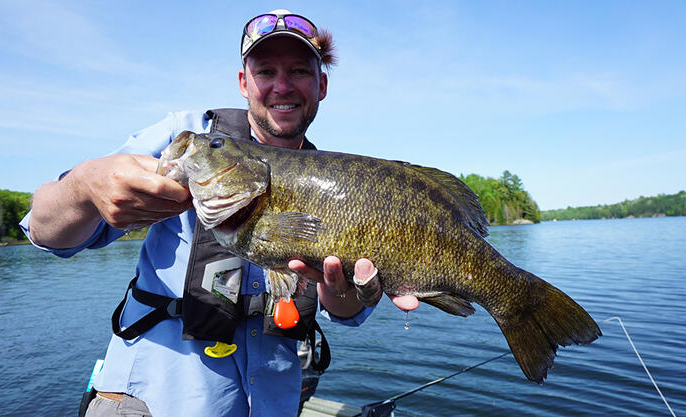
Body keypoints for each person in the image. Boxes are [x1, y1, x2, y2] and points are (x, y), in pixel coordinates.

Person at [21, 10, 417, 417]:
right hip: (153, 401)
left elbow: (347, 313)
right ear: (244, 82)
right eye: (266, 71)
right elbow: (45, 232)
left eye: (299, 70)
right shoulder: (191, 138)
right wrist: (84, 186)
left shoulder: (339, 183)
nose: (282, 86)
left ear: (322, 84)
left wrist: (344, 296)